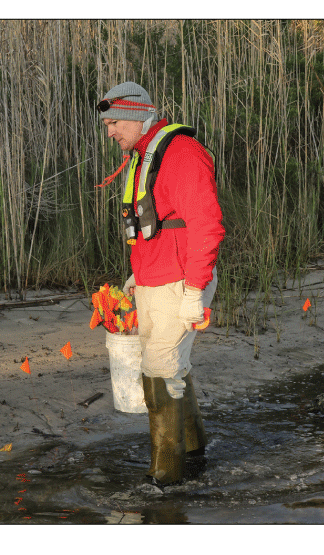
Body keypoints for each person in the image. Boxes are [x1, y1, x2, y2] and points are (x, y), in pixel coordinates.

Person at [97, 81, 225, 487]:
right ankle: (194, 453)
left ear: (136, 117)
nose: (110, 131)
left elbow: (207, 226)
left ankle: (165, 482)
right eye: (108, 124)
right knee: (173, 370)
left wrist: (194, 292)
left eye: (114, 122)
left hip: (181, 284)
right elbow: (150, 228)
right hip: (153, 281)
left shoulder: (183, 154)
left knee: (158, 371)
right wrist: (138, 275)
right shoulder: (141, 157)